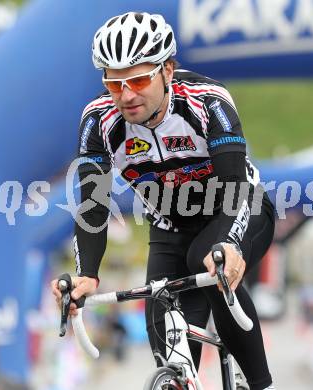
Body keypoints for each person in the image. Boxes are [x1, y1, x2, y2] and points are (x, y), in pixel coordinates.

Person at [51, 12, 275, 390]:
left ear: (167, 70)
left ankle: (260, 384)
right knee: (166, 338)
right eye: (113, 82)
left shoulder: (208, 101)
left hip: (236, 208)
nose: (126, 95)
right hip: (169, 226)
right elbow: (93, 205)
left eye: (138, 79)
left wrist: (230, 243)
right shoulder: (98, 121)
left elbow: (235, 187)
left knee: (211, 263)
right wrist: (86, 273)